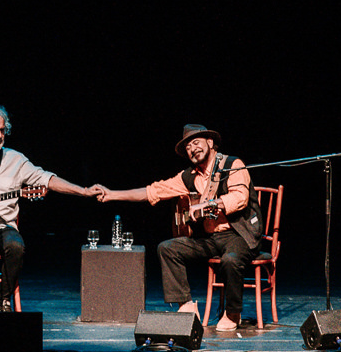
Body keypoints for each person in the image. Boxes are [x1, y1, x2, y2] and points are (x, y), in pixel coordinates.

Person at [0, 104, 104, 311]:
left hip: (4, 227)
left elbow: (47, 178)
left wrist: (83, 191)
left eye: (2, 130)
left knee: (16, 246)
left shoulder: (16, 160)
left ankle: (4, 300)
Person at [97, 124, 262, 331]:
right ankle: (186, 306)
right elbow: (153, 191)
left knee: (230, 260)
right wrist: (112, 194)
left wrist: (208, 204)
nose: (192, 148)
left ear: (210, 143)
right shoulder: (188, 176)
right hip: (210, 238)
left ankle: (232, 313)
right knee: (167, 248)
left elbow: (240, 198)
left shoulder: (232, 164)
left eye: (196, 142)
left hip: (239, 234)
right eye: (188, 147)